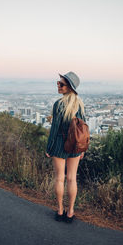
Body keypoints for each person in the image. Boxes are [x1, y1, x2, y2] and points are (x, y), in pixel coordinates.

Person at [45, 71, 86, 223]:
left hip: (59, 146)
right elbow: (83, 130)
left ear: (69, 87)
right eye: (58, 82)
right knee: (72, 179)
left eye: (61, 84)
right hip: (75, 146)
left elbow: (54, 129)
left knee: (59, 178)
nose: (58, 85)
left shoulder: (59, 104)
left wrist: (49, 148)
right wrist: (82, 149)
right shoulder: (80, 105)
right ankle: (71, 212)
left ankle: (60, 210)